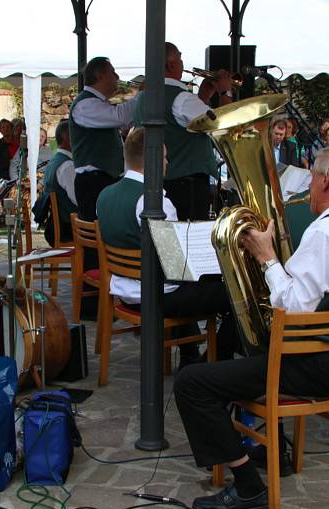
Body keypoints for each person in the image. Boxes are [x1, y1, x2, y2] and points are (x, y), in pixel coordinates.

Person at [174, 144, 329, 509]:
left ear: (325, 180)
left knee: (192, 382)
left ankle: (248, 486)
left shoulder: (327, 231)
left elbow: (293, 307)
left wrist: (266, 258)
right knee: (239, 350)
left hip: (309, 366)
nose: (310, 188)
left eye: (313, 179)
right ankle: (263, 446)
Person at [96, 127, 239, 368]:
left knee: (192, 285)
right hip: (154, 295)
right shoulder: (155, 201)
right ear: (151, 159)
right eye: (163, 157)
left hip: (123, 289)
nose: (166, 162)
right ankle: (213, 362)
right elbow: (176, 265)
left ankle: (190, 354)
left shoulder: (105, 195)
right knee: (235, 295)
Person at [134, 42, 230, 221]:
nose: (182, 62)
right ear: (170, 65)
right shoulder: (182, 98)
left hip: (160, 183)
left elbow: (181, 121)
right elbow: (223, 123)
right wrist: (225, 90)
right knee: (188, 241)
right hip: (187, 187)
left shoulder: (141, 97)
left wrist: (202, 98)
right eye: (180, 57)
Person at [68, 56, 136, 222]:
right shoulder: (85, 105)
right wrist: (144, 95)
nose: (117, 77)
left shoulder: (96, 104)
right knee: (98, 232)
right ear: (100, 76)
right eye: (113, 72)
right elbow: (120, 116)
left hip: (103, 180)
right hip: (94, 183)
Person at [39, 120, 76, 246]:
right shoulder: (67, 166)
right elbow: (77, 200)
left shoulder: (54, 161)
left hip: (56, 225)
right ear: (68, 138)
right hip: (67, 228)